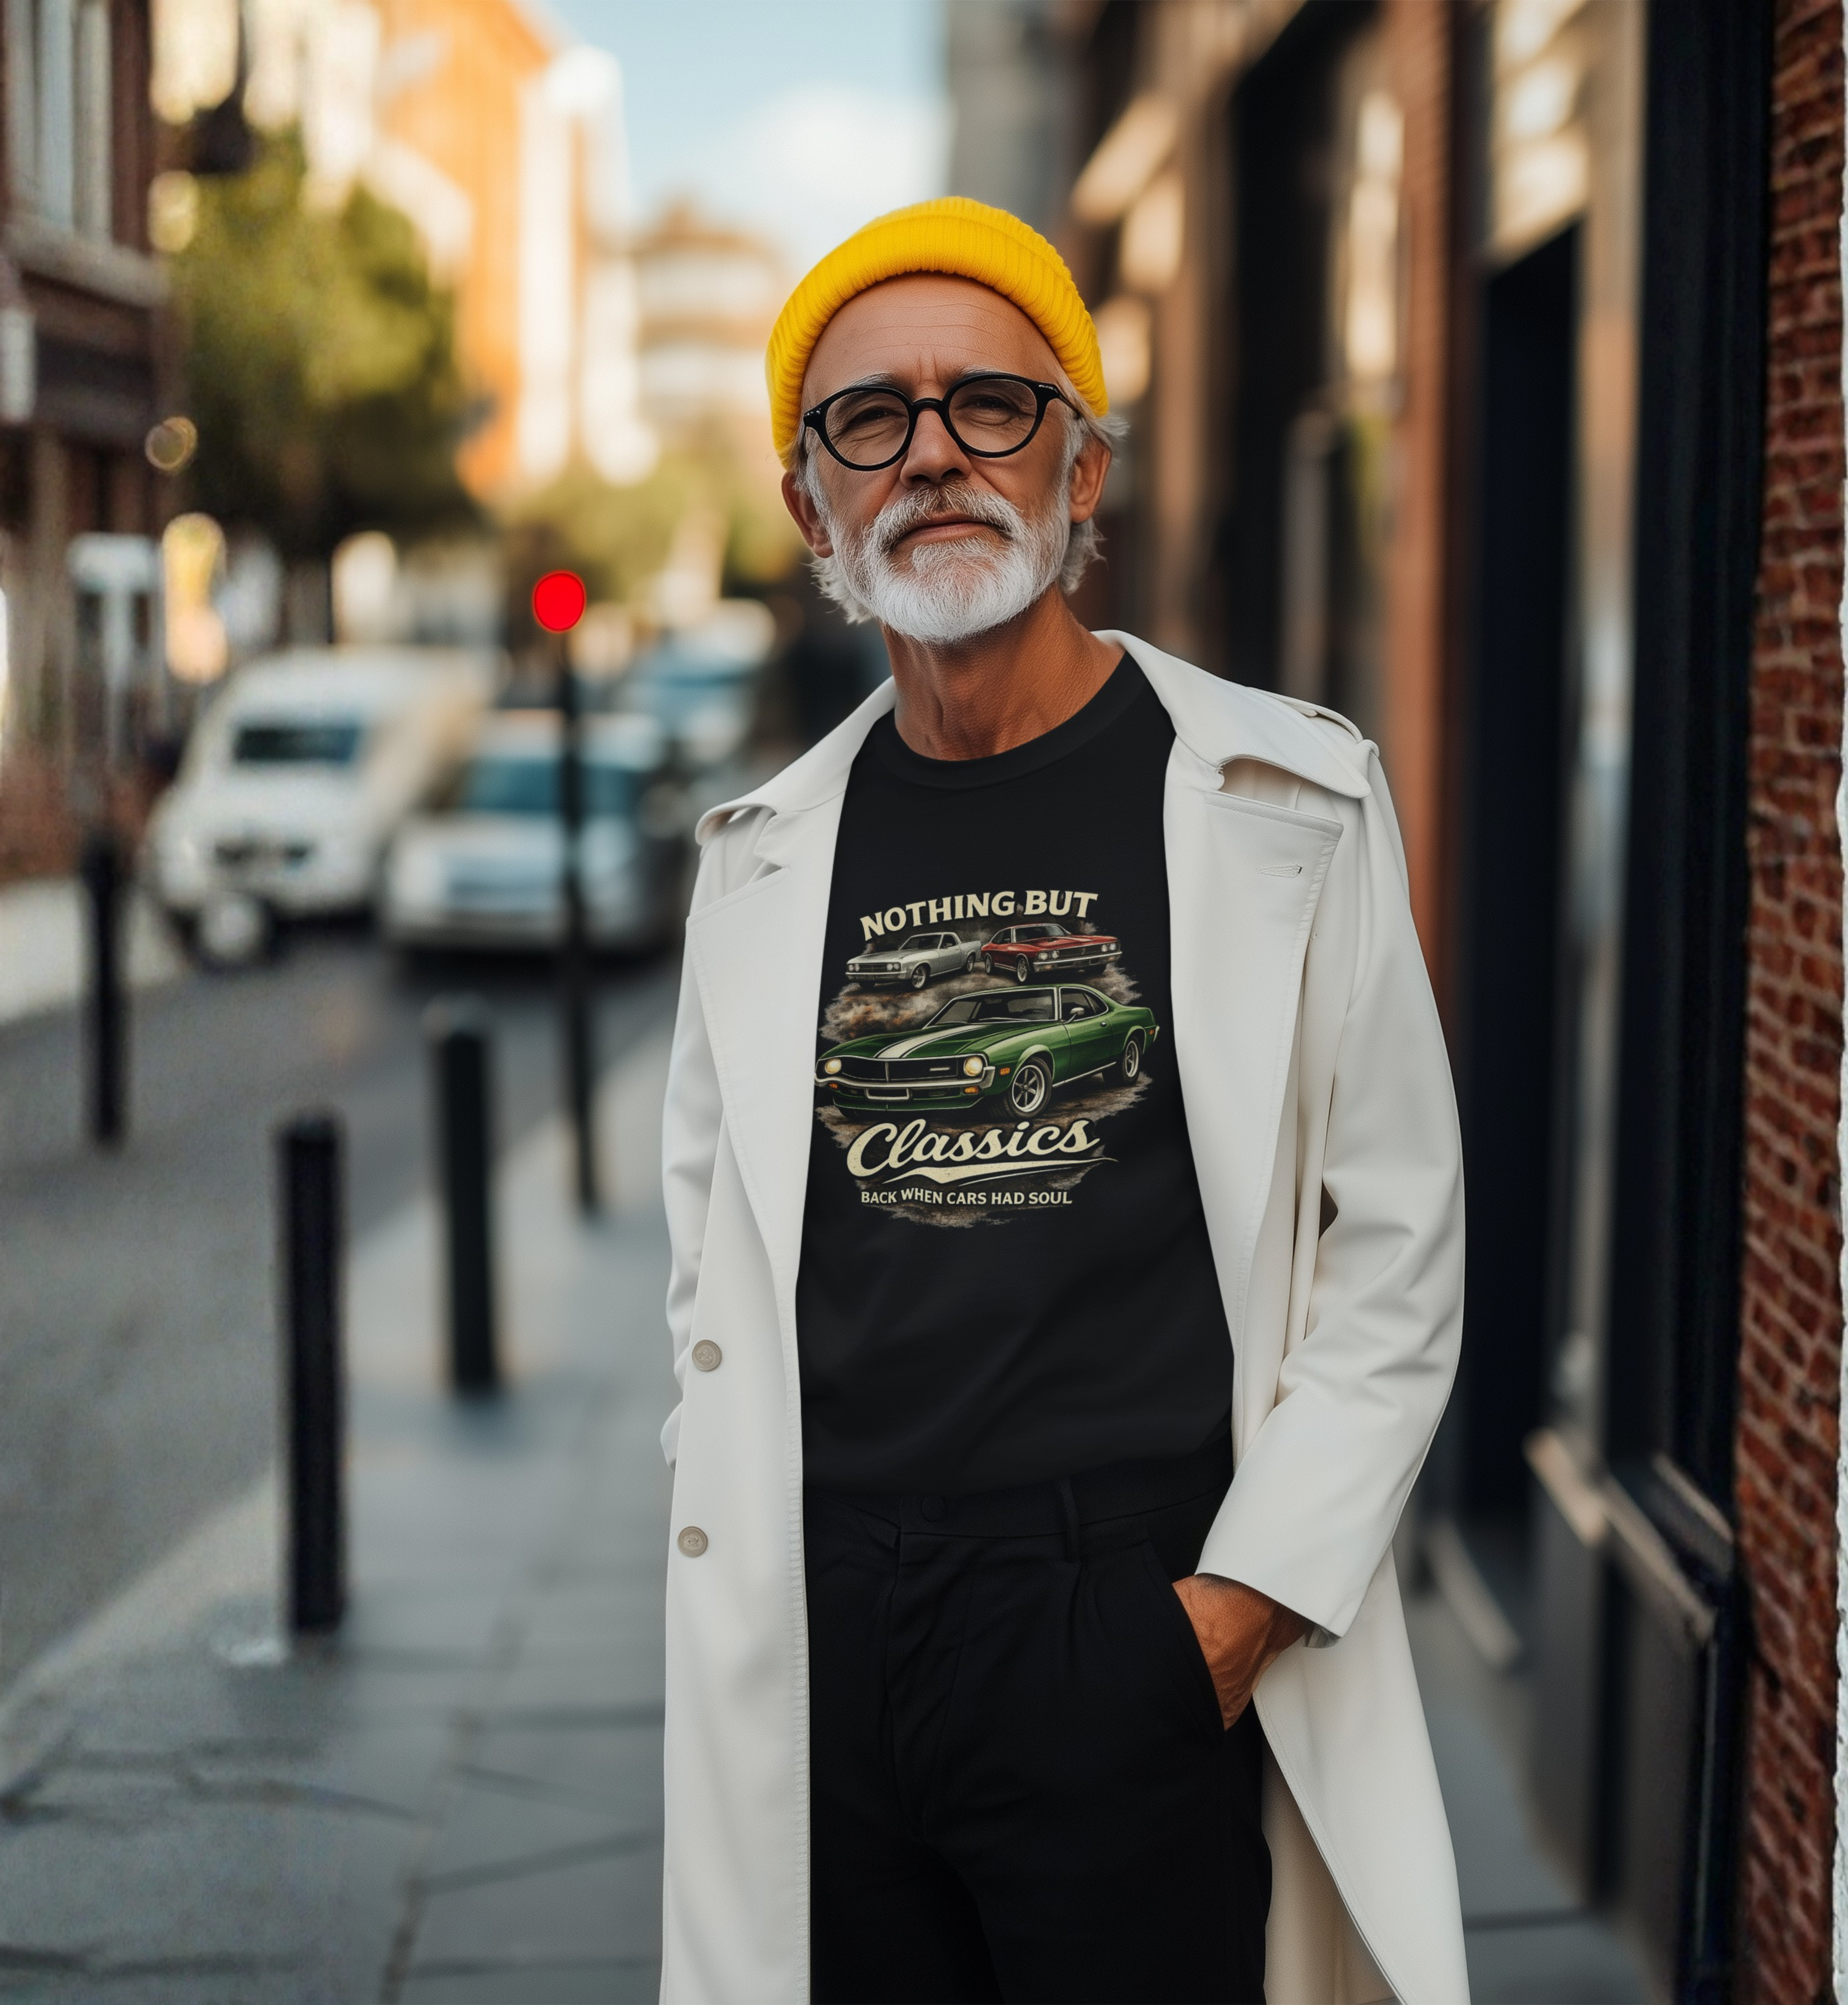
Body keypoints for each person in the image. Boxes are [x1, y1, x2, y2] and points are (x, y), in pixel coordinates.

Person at [659, 196, 1467, 2005]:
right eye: (870, 419)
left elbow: (1399, 1254)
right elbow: (711, 1266)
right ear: (813, 510)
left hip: (1127, 1614)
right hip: (827, 1633)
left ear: (1082, 470)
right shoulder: (762, 857)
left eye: (993, 406)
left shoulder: (1286, 799)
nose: (933, 453)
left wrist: (1224, 1625)